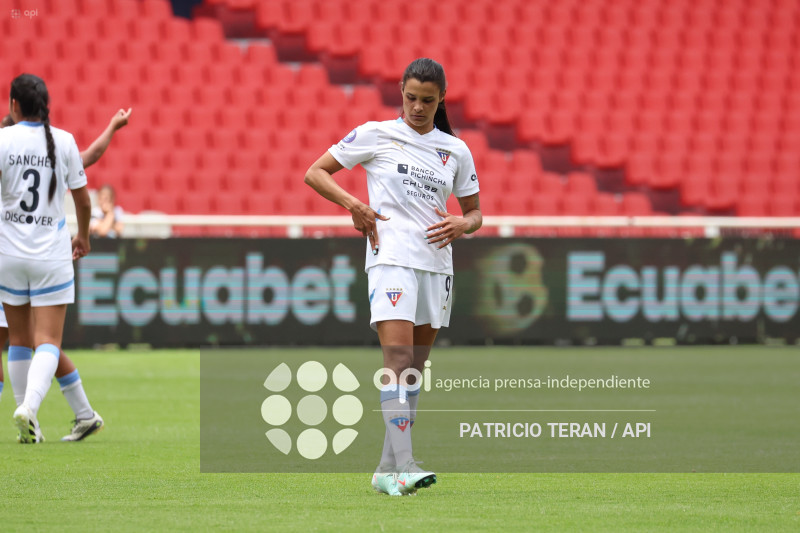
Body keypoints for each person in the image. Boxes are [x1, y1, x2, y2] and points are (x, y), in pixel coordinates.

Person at [304, 58, 482, 495]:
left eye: (426, 100)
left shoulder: (455, 150)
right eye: (410, 98)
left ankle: (386, 471)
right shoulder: (375, 134)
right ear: (400, 91)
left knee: (416, 370)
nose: (417, 107)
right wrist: (355, 206)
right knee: (398, 363)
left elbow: (475, 212)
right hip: (392, 261)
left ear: (441, 99)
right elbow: (315, 173)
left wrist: (465, 224)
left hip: (437, 266)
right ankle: (405, 462)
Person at [0, 107, 130, 441]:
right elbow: (91, 155)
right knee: (41, 345)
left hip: (15, 262)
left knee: (30, 342)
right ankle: (83, 415)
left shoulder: (10, 156)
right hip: (37, 261)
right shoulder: (49, 153)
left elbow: (89, 158)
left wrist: (113, 126)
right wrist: (113, 126)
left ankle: (47, 418)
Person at [0, 74, 92, 443]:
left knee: (19, 340)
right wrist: (83, 235)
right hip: (50, 256)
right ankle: (30, 409)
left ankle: (29, 429)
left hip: (8, 253)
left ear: (13, 105)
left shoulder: (2, 139)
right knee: (48, 342)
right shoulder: (64, 141)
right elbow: (83, 201)